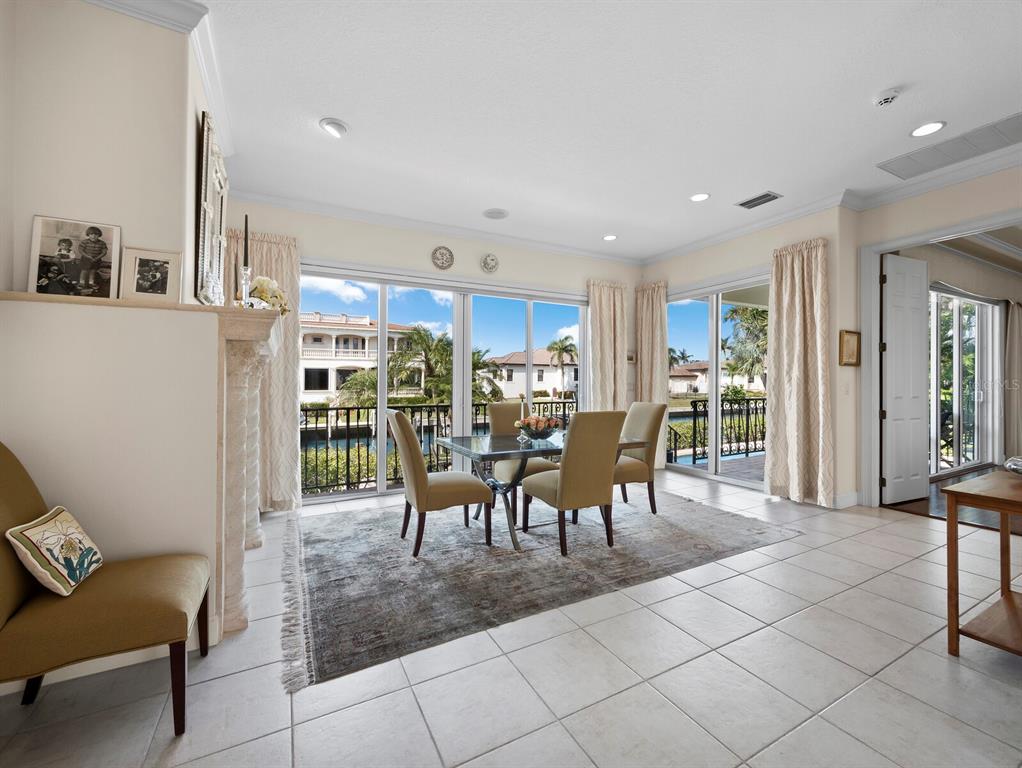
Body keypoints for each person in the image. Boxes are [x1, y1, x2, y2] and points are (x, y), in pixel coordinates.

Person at [77, 226, 108, 292]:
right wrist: (87, 256)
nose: (93, 236)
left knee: (93, 271)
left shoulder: (102, 243)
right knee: (84, 271)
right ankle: (81, 283)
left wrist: (98, 257)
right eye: (91, 234)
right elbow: (80, 250)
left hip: (96, 260)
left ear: (99, 235)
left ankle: (91, 283)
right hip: (86, 259)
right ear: (88, 235)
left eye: (96, 234)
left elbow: (104, 252)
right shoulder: (84, 242)